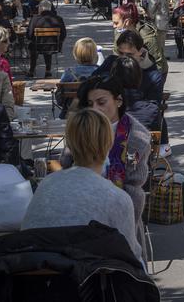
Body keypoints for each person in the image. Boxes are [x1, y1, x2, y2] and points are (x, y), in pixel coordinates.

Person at [22, 107, 142, 262]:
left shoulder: (46, 185)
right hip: (92, 281)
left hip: (38, 279)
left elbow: (26, 235)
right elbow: (132, 258)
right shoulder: (118, 199)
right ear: (109, 143)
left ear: (69, 144)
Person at [66, 73, 151, 243]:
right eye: (90, 104)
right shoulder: (82, 127)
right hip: (78, 205)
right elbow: (66, 162)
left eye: (101, 102)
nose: (95, 109)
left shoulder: (136, 138)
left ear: (118, 101)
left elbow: (133, 186)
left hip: (120, 209)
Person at [111, 3, 167, 75]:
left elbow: (158, 63)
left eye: (116, 23)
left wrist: (154, 81)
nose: (114, 26)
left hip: (151, 72)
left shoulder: (147, 36)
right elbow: (116, 54)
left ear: (127, 22)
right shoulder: (118, 32)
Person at [27, 0, 66, 78]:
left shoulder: (35, 19)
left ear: (41, 8)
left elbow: (29, 35)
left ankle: (31, 70)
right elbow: (63, 34)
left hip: (37, 46)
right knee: (48, 44)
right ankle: (48, 70)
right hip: (54, 46)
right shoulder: (58, 19)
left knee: (33, 44)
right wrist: (59, 42)